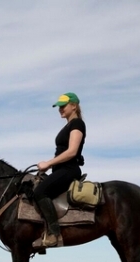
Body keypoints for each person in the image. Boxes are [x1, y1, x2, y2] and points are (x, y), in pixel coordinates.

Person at [34, 92, 86, 248]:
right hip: (61, 169)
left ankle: (54, 235)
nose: (60, 109)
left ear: (74, 105)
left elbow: (72, 151)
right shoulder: (69, 125)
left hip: (68, 169)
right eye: (59, 107)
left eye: (63, 106)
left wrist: (48, 163)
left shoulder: (77, 124)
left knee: (40, 192)